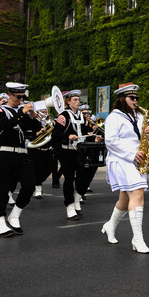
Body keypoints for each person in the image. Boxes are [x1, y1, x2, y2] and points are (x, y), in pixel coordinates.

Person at [100, 84, 149, 253]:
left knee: (125, 200)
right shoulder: (114, 117)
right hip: (121, 159)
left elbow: (140, 137)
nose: (135, 101)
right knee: (137, 193)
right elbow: (110, 141)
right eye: (132, 98)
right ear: (122, 99)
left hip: (136, 160)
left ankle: (110, 225)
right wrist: (131, 154)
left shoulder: (138, 115)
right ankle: (138, 239)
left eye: (137, 98)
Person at [0, 82, 43, 236]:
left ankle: (14, 215)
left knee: (29, 185)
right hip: (6, 153)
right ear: (10, 95)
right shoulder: (0, 110)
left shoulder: (21, 112)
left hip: (22, 153)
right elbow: (5, 125)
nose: (21, 100)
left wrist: (34, 117)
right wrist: (22, 112)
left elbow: (32, 129)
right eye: (18, 97)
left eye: (23, 97)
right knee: (2, 189)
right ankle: (0, 221)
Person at [54, 89, 87, 220]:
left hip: (80, 151)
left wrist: (93, 136)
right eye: (75, 100)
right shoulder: (63, 116)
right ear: (68, 102)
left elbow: (85, 131)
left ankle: (77, 199)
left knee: (83, 177)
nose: (78, 102)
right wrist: (68, 136)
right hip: (67, 151)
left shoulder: (82, 115)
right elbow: (56, 134)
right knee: (69, 179)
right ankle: (69, 206)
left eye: (78, 99)